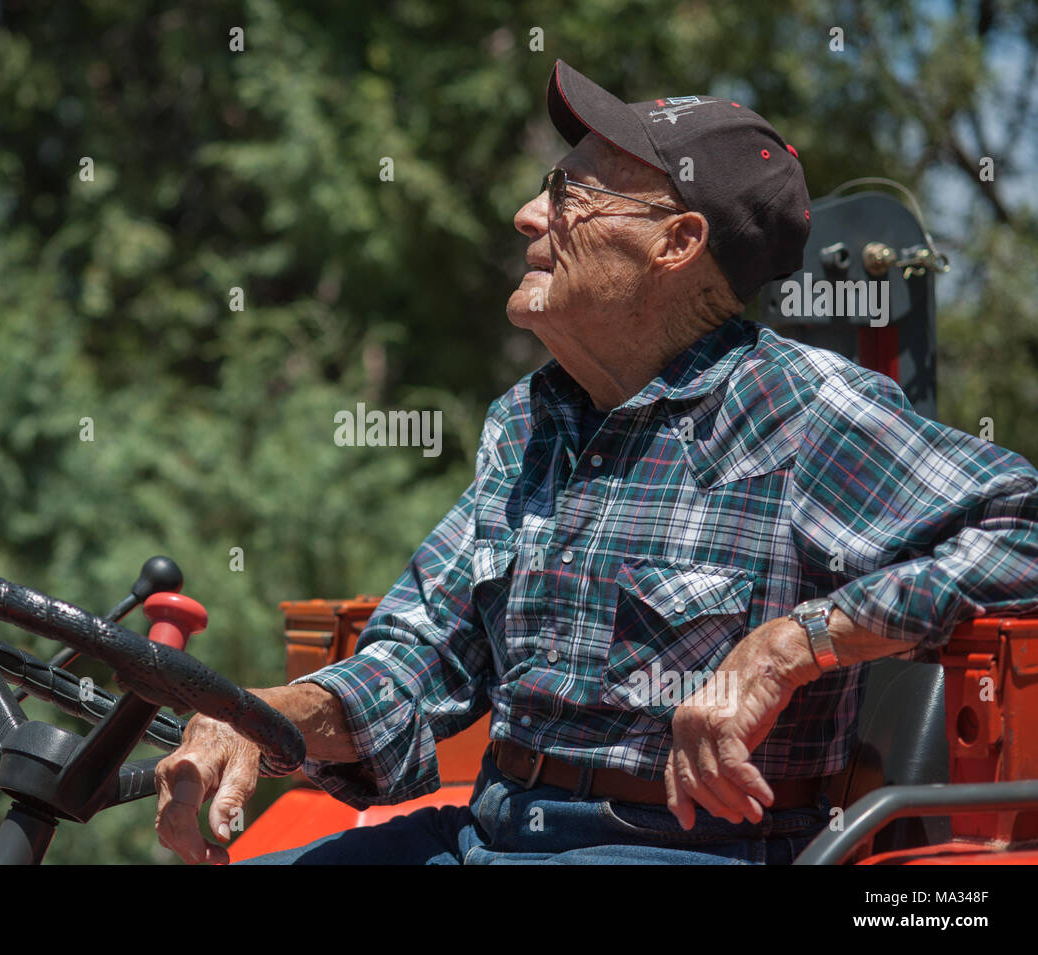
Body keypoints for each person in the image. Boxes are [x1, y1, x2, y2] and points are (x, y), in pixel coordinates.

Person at [153, 60, 1038, 864]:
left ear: (677, 242)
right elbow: (417, 658)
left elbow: (1022, 529)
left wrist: (788, 645)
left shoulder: (797, 408)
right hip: (487, 831)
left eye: (569, 193)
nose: (529, 214)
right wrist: (253, 718)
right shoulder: (530, 418)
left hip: (680, 850)